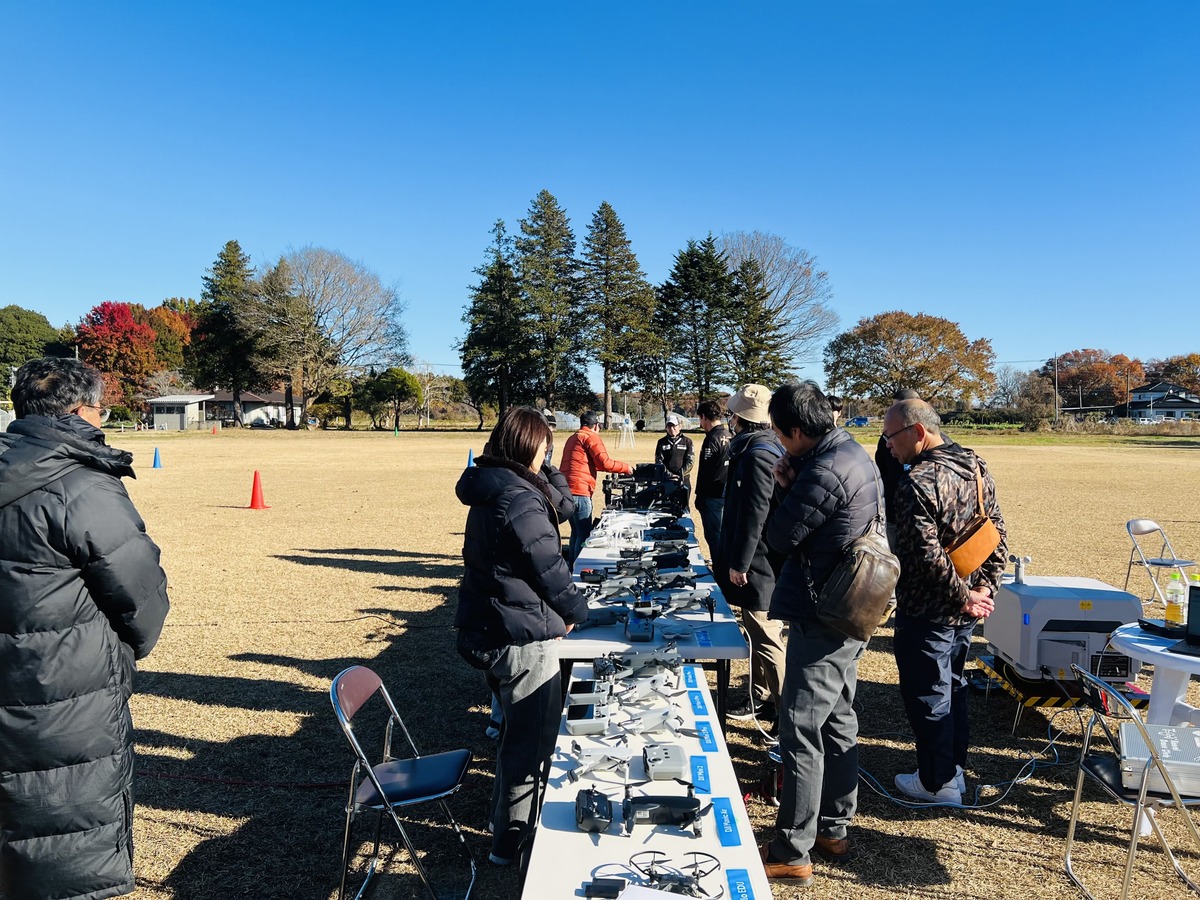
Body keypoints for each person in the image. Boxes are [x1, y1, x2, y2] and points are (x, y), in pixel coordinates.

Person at [0, 357, 170, 900]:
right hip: (67, 680)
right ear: (78, 410)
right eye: (100, 408)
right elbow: (139, 590)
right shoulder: (82, 483)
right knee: (68, 813)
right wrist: (129, 648)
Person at [759, 381, 882, 887]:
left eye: (779, 433)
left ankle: (793, 848)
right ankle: (834, 827)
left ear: (794, 430)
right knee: (838, 719)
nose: (778, 442)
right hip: (852, 607)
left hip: (824, 613)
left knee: (801, 728)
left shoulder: (824, 470)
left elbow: (779, 536)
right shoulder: (854, 453)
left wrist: (784, 487)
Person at [455, 406, 589, 865]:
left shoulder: (497, 484)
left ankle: (502, 820)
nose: (548, 453)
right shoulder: (518, 497)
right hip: (519, 636)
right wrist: (576, 610)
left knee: (517, 731)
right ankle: (509, 844)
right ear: (526, 446)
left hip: (497, 626)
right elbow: (548, 565)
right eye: (544, 446)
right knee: (529, 741)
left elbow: (562, 511)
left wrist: (546, 464)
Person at [882, 398, 1007, 804]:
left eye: (891, 437)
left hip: (927, 608)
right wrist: (984, 588)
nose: (887, 446)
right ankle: (951, 770)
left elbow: (924, 554)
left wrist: (968, 595)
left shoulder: (917, 482)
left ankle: (937, 781)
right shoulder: (975, 465)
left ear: (918, 432)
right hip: (966, 606)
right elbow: (996, 531)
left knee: (927, 693)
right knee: (953, 685)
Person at [713, 385, 785, 735]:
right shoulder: (757, 447)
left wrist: (740, 562)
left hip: (759, 561)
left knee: (766, 632)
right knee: (755, 631)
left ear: (739, 417)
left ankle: (786, 711)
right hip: (755, 557)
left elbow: (756, 512)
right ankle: (759, 696)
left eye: (732, 414)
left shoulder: (759, 453)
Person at [559, 411, 633, 562]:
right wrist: (626, 468)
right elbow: (604, 462)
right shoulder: (590, 437)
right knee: (584, 534)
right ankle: (578, 566)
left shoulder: (573, 437)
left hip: (565, 490)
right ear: (596, 426)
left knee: (575, 532)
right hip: (581, 491)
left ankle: (572, 563)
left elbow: (586, 462)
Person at [693, 399, 731, 552]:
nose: (701, 424)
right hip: (727, 492)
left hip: (713, 495)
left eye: (700, 419)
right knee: (725, 535)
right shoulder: (730, 435)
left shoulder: (712, 439)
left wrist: (700, 496)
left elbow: (707, 472)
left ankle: (720, 571)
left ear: (704, 417)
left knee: (715, 536)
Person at [654, 413, 695, 505]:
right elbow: (658, 461)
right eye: (669, 426)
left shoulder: (687, 442)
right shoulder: (661, 442)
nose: (672, 429)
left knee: (683, 507)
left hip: (683, 480)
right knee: (666, 507)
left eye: (674, 426)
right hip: (666, 481)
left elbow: (690, 461)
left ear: (679, 426)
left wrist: (681, 474)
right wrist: (669, 475)